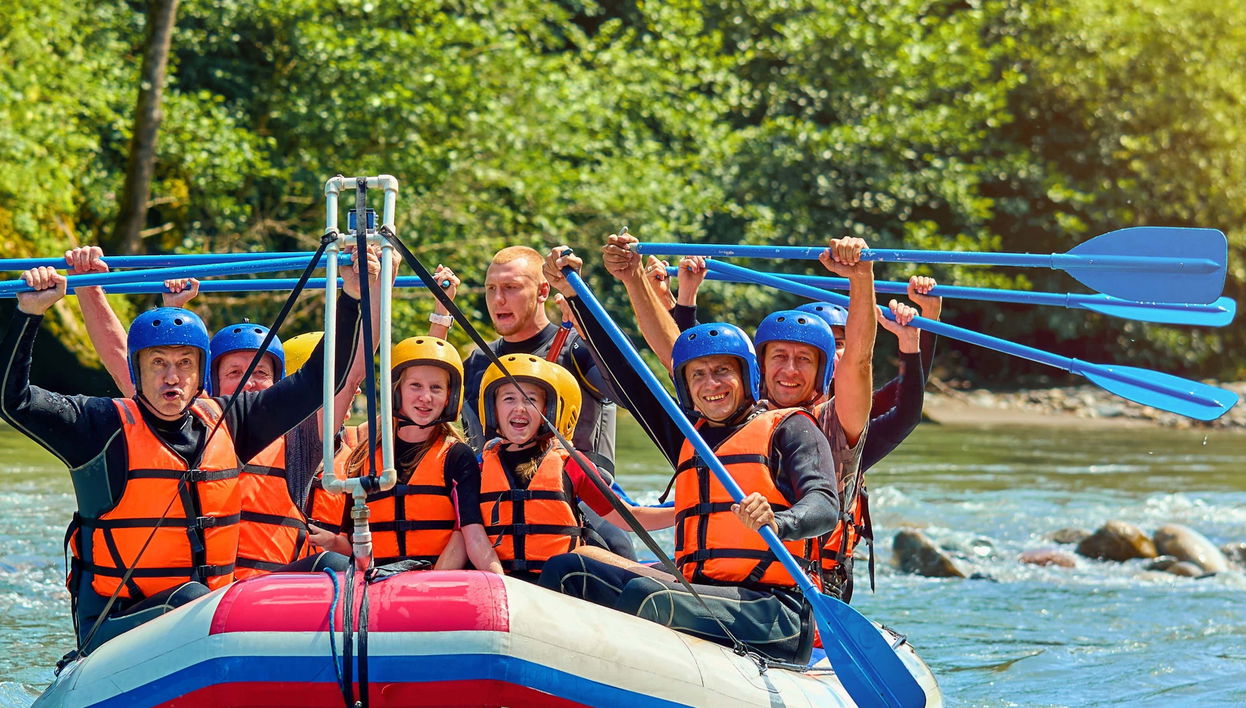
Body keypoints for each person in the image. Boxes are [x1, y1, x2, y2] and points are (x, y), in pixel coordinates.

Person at [0, 248, 379, 655]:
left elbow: (317, 382)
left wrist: (352, 297)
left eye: (184, 363)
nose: (172, 377)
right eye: (157, 362)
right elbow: (12, 400)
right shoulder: (97, 425)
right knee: (192, 599)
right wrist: (30, 313)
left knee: (334, 572)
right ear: (137, 371)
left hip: (212, 615)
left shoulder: (230, 423)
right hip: (119, 624)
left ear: (201, 374)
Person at [539, 247, 850, 664]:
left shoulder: (790, 428)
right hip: (700, 593)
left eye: (723, 371)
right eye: (698, 374)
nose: (711, 384)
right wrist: (576, 297)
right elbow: (628, 376)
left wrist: (779, 520)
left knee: (650, 596)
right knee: (568, 570)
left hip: (773, 612)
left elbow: (824, 506)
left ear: (747, 376)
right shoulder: (691, 435)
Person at [427, 248, 637, 560]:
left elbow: (631, 391)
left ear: (542, 291)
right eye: (491, 289)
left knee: (615, 543)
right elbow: (424, 409)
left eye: (511, 288)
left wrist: (587, 317)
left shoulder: (577, 349)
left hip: (577, 505)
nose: (498, 299)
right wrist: (441, 316)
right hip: (495, 509)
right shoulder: (478, 362)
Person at [461, 354, 671, 581]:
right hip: (500, 581)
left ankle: (667, 580)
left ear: (547, 411)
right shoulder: (478, 467)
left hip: (559, 583)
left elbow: (630, 518)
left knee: (582, 554)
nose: (520, 408)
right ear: (492, 409)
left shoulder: (571, 464)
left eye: (530, 400)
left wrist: (684, 513)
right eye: (509, 399)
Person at [308, 336, 490, 570]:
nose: (426, 397)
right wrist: (332, 542)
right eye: (415, 386)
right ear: (396, 390)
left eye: (436, 388)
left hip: (439, 584)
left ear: (449, 397)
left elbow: (465, 533)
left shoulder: (457, 456)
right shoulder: (367, 458)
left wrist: (432, 584)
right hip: (380, 584)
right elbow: (353, 541)